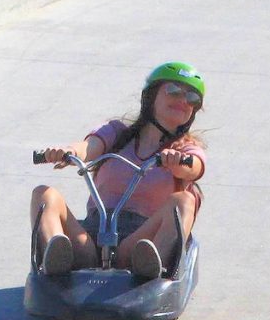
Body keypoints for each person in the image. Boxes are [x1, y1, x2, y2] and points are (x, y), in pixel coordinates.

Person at [30, 62, 207, 280]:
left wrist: (177, 162)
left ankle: (153, 270)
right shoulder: (117, 133)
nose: (183, 100)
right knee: (44, 194)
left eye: (192, 98)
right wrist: (68, 152)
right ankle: (55, 260)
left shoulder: (185, 149)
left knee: (185, 200)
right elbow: (89, 147)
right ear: (151, 96)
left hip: (140, 241)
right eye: (174, 91)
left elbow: (194, 167)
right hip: (91, 236)